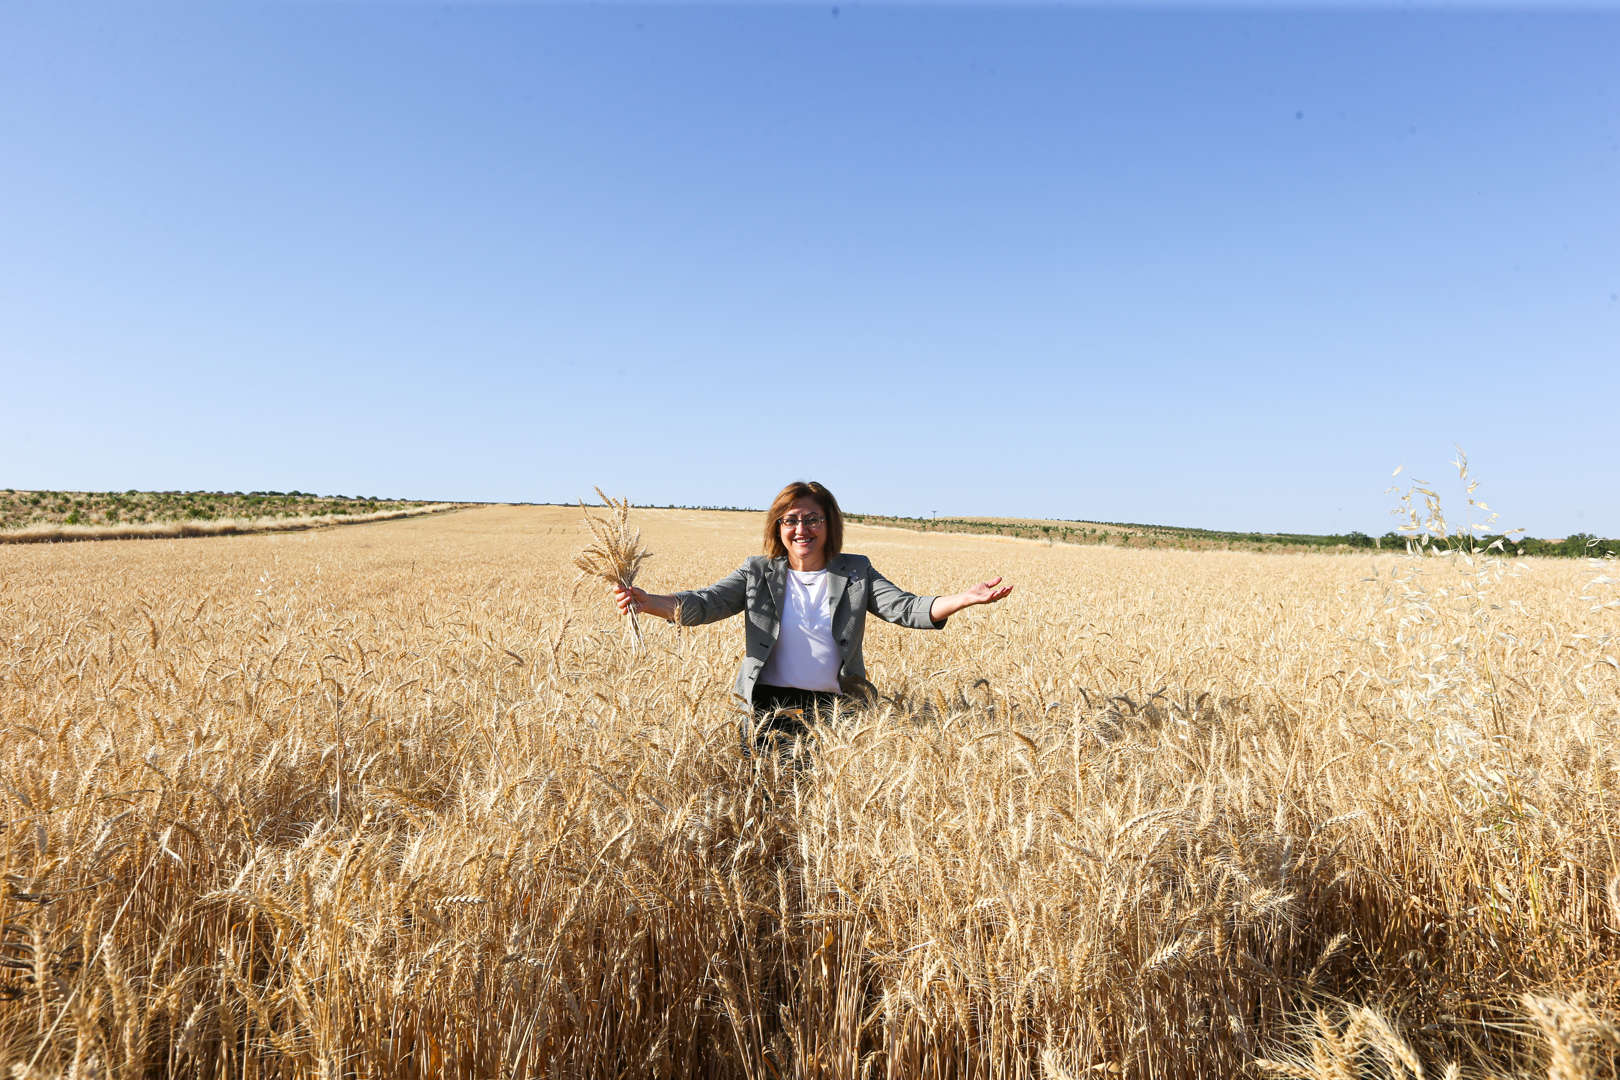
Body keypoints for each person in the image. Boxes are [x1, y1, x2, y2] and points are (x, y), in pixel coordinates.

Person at [612, 480, 1013, 750]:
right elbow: (706, 603)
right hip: (767, 708)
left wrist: (963, 599)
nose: (801, 528)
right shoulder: (757, 572)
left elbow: (904, 607)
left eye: (812, 519)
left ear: (828, 525)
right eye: (790, 520)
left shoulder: (855, 572)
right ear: (778, 527)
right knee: (771, 805)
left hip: (835, 711)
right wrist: (648, 602)